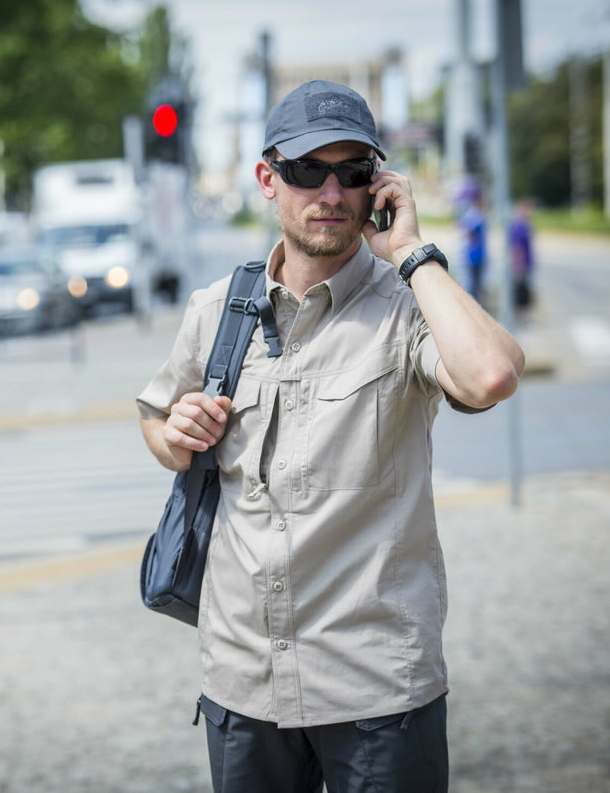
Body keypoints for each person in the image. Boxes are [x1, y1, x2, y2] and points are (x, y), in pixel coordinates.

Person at [136, 80, 525, 793]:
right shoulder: (216, 308)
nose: (331, 192)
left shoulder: (410, 305)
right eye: (307, 170)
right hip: (243, 679)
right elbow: (158, 420)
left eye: (352, 172)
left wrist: (413, 250)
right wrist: (175, 434)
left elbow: (492, 375)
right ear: (267, 178)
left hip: (377, 686)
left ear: (377, 183)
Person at [458, 187, 488, 303]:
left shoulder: (476, 215)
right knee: (473, 285)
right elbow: (467, 231)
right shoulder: (475, 216)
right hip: (473, 256)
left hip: (478, 255)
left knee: (477, 284)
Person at [509, 198, 535, 315]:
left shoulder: (525, 225)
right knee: (520, 292)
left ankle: (519, 315)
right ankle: (517, 316)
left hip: (525, 263)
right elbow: (517, 248)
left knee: (522, 291)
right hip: (521, 264)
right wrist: (518, 266)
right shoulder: (520, 226)